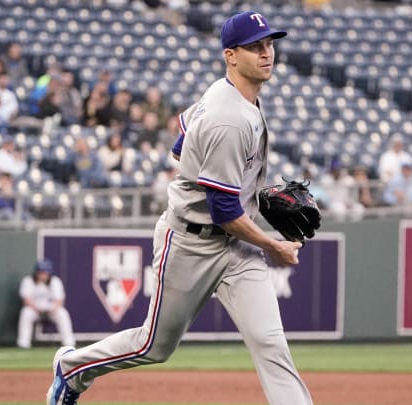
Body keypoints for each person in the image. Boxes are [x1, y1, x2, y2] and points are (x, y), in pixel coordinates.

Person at [46, 11, 312, 405]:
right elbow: (223, 211)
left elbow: (179, 147)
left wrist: (239, 186)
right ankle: (72, 369)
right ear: (230, 55)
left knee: (272, 344)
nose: (266, 53)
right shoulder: (229, 119)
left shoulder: (225, 94)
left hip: (236, 249)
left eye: (270, 44)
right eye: (255, 47)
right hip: (192, 243)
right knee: (153, 346)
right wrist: (274, 245)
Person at [17, 259, 75, 349]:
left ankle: (69, 343)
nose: (43, 275)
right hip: (35, 310)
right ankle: (23, 343)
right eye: (40, 272)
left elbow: (60, 301)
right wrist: (37, 308)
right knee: (26, 312)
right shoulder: (28, 281)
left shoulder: (55, 281)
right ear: (36, 272)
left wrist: (52, 309)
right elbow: (26, 300)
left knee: (62, 313)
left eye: (45, 272)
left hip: (51, 310)